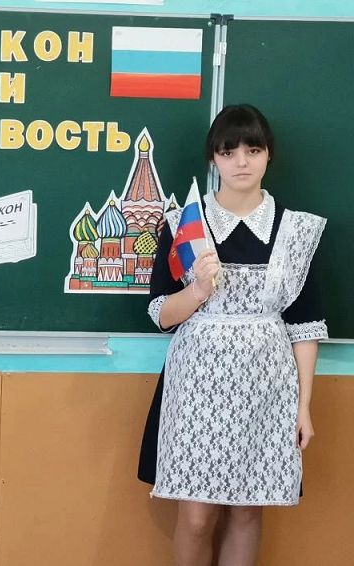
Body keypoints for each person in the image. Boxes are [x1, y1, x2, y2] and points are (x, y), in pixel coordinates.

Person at [137, 104, 326, 565]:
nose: (241, 162)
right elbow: (162, 314)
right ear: (213, 159)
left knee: (247, 510)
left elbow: (304, 326)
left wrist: (302, 406)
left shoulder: (295, 230)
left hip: (267, 386)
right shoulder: (185, 224)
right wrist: (199, 291)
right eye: (229, 152)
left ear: (268, 155)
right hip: (197, 386)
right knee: (196, 515)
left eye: (253, 150)